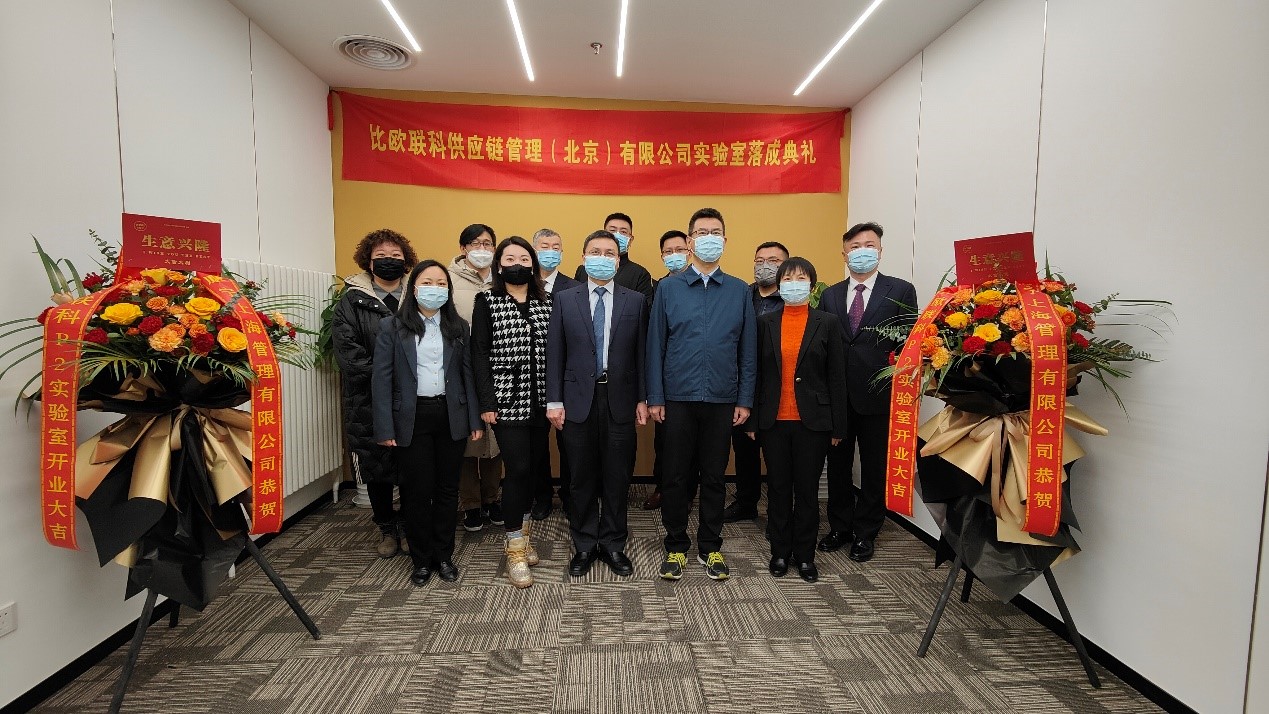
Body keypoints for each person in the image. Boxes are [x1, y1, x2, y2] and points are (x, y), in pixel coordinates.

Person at [647, 208, 756, 581]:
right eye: (702, 232)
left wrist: (744, 399)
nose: (709, 238)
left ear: (725, 240)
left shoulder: (740, 290)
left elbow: (747, 350)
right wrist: (656, 396)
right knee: (676, 476)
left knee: (714, 476)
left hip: (722, 399)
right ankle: (676, 545)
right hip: (677, 398)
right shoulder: (668, 288)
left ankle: (710, 547)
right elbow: (655, 345)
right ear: (690, 241)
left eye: (716, 232)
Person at [371, 260, 484, 586]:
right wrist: (385, 427)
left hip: (451, 414)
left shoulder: (458, 326)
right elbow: (381, 380)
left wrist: (474, 418)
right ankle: (421, 560)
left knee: (448, 490)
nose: (435, 289)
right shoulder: (392, 327)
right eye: (427, 282)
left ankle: (443, 555)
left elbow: (467, 375)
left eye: (441, 283)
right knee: (417, 492)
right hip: (412, 418)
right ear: (414, 288)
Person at [546, 230, 648, 577]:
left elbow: (642, 354)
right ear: (583, 257)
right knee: (581, 476)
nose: (602, 258)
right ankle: (585, 543)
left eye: (609, 253)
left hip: (620, 399)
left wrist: (643, 397)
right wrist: (554, 400)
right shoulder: (565, 299)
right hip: (576, 400)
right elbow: (555, 352)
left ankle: (614, 543)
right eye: (595, 251)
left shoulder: (636, 301)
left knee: (618, 476)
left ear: (618, 261)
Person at [818, 222, 917, 562]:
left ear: (880, 250)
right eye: (855, 247)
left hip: (879, 396)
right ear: (844, 254)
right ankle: (839, 526)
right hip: (838, 397)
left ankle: (866, 532)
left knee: (875, 468)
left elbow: (908, 344)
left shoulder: (901, 290)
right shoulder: (830, 294)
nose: (862, 251)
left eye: (869, 245)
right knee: (838, 467)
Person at [745, 257, 848, 583]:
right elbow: (756, 374)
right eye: (787, 279)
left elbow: (837, 377)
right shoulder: (766, 323)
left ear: (812, 285)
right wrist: (752, 421)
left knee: (806, 491)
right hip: (773, 421)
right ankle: (779, 552)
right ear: (779, 285)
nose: (794, 284)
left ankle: (805, 556)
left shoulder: (827, 322)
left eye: (801, 278)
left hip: (813, 423)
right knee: (777, 489)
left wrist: (839, 425)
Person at [471, 236, 554, 588]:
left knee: (532, 471)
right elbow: (478, 353)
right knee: (517, 469)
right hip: (506, 400)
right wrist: (487, 402)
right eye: (509, 258)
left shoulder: (547, 301)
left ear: (533, 264)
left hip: (543, 400)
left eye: (524, 257)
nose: (517, 263)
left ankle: (524, 537)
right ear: (499, 265)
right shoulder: (487, 300)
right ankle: (514, 548)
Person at [331, 228, 417, 558]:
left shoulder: (417, 296)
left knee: (410, 465)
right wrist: (388, 377)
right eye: (381, 256)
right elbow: (348, 352)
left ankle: (409, 525)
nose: (388, 261)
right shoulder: (351, 300)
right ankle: (386, 528)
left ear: (406, 261)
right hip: (367, 398)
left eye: (396, 256)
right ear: (368, 261)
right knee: (376, 466)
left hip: (413, 398)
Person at [722, 241, 789, 523]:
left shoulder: (792, 300)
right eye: (759, 260)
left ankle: (779, 513)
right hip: (742, 388)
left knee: (777, 456)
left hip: (778, 389)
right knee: (744, 450)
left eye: (773, 261)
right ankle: (746, 502)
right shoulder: (741, 295)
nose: (765, 266)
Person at [448, 224, 504, 532]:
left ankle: (492, 498)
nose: (482, 249)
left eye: (487, 243)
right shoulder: (448, 280)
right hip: (461, 369)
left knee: (496, 440)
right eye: (475, 243)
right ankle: (470, 503)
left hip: (497, 369)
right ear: (463, 248)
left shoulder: (502, 277)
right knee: (468, 439)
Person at [532, 228, 580, 520]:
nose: (551, 251)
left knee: (569, 442)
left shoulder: (574, 287)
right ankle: (542, 495)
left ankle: (570, 494)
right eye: (544, 246)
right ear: (534, 250)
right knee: (537, 442)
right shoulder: (523, 286)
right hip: (534, 376)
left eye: (556, 246)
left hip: (568, 377)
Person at [644, 229, 692, 511]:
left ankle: (687, 494)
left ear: (690, 250)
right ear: (662, 256)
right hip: (666, 379)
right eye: (668, 251)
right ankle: (662, 489)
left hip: (695, 379)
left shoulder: (706, 286)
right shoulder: (659, 287)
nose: (674, 255)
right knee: (664, 442)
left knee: (693, 446)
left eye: (680, 250)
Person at [573, 212, 654, 303]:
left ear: (630, 240)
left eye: (623, 232)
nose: (617, 235)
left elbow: (644, 307)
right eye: (612, 230)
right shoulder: (584, 270)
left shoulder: (640, 274)